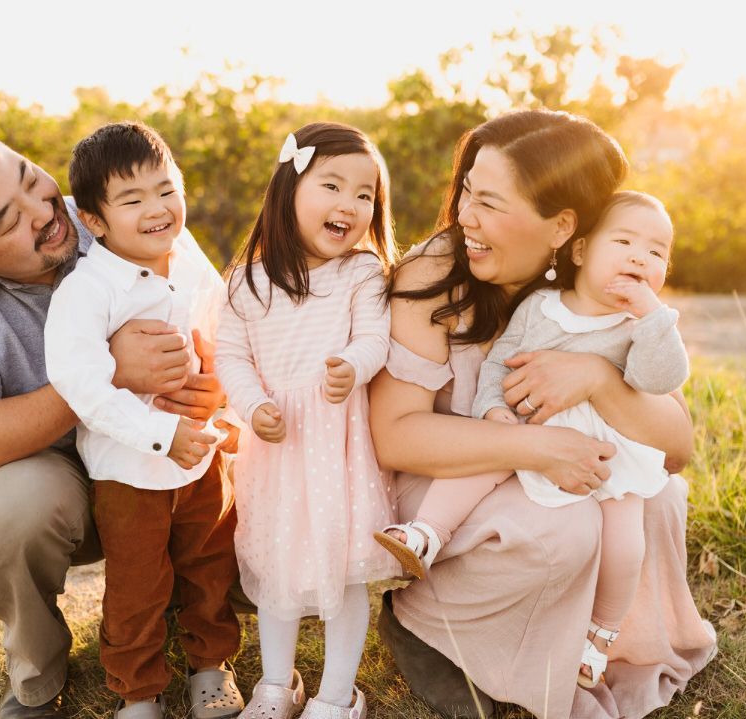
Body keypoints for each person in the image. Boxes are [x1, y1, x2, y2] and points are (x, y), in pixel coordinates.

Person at [0, 106, 228, 719]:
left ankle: (197, 630)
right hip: (67, 488)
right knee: (12, 508)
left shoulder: (117, 207)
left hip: (168, 464)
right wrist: (102, 371)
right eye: (10, 219)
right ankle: (38, 675)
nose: (46, 212)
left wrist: (208, 388)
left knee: (234, 527)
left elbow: (215, 331)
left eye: (28, 177)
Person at [367, 110, 716, 719]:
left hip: (545, 465)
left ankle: (583, 649)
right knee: (565, 528)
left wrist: (598, 379)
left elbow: (676, 446)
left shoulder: (603, 281)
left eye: (491, 203)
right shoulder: (437, 273)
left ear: (563, 227)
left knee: (654, 495)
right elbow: (394, 436)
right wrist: (532, 448)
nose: (465, 216)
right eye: (468, 190)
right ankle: (429, 624)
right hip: (452, 476)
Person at [44, 121, 242, 719]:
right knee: (138, 584)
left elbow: (227, 335)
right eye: (132, 200)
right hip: (129, 472)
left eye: (166, 189)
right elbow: (79, 383)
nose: (156, 209)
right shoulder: (87, 291)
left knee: (209, 564)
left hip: (203, 457)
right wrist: (162, 434)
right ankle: (138, 689)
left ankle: (211, 666)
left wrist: (221, 398)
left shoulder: (190, 264)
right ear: (95, 220)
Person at [214, 122, 398, 719]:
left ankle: (338, 695)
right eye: (333, 186)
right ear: (289, 189)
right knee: (276, 570)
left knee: (344, 574)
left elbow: (375, 337)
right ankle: (275, 684)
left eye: (365, 194)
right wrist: (251, 405)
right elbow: (232, 357)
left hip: (337, 448)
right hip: (277, 448)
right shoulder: (245, 283)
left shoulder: (362, 274)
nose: (350, 204)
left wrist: (351, 364)